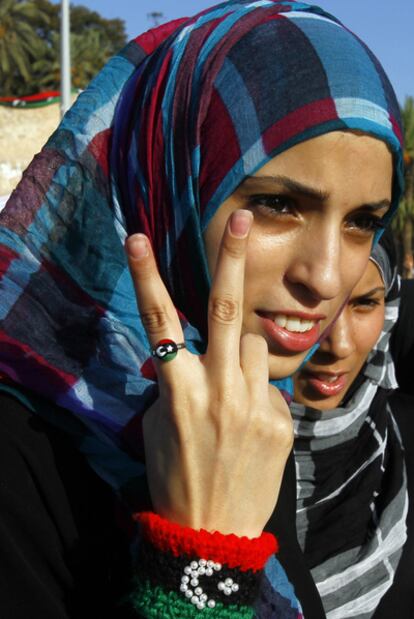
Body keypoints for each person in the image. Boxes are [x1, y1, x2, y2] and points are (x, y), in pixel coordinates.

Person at [0, 1, 404, 617]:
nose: (326, 278)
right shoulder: (20, 456)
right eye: (278, 205)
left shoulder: (257, 415)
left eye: (362, 222)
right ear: (165, 184)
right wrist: (202, 556)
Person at [292, 235, 413, 618]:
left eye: (364, 303)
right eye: (306, 304)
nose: (339, 344)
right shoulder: (157, 461)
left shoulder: (404, 441)